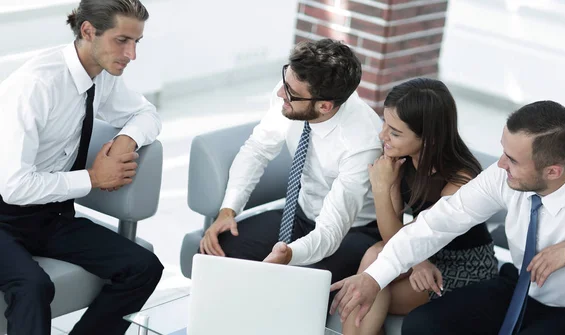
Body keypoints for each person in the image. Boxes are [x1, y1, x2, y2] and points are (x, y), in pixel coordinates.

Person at [330, 100, 565, 335]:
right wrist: (372, 278)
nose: (501, 164)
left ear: (553, 171)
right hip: (518, 285)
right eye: (503, 151)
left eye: (513, 160)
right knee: (422, 325)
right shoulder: (502, 174)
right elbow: (439, 222)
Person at [0, 1, 163, 334]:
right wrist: (92, 178)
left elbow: (148, 114)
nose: (132, 54)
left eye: (136, 42)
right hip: (3, 216)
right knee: (33, 286)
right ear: (88, 31)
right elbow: (14, 186)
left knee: (143, 267)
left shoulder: (101, 76)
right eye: (122, 40)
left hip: (50, 216)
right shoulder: (35, 86)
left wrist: (125, 141)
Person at [198, 38, 383, 286]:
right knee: (215, 254)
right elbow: (257, 150)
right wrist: (228, 210)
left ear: (325, 106)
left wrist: (290, 255)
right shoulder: (293, 89)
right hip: (301, 212)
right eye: (285, 79)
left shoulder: (361, 145)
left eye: (290, 93)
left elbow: (330, 232)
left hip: (353, 231)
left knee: (295, 286)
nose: (279, 93)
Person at [342, 78, 498, 335]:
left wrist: (381, 188)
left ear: (430, 139)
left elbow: (415, 237)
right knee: (373, 262)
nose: (383, 136)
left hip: (462, 263)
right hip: (417, 250)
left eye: (394, 132)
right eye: (385, 124)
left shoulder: (460, 180)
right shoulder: (400, 158)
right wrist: (417, 261)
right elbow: (393, 237)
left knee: (372, 291)